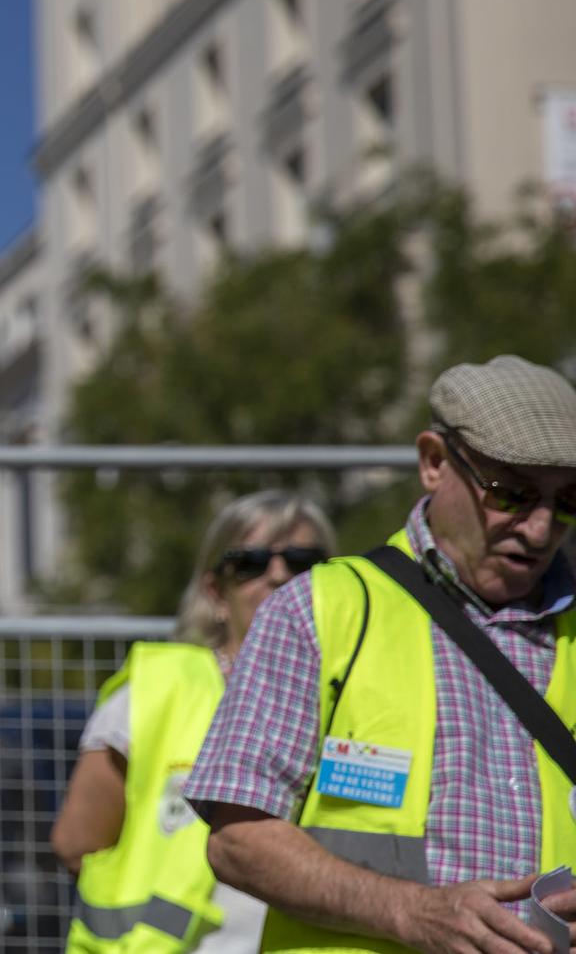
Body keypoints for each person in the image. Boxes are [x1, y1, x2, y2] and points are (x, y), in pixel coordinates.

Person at [185, 355, 576, 954]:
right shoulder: (322, 609)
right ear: (433, 463)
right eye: (512, 494)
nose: (541, 527)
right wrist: (412, 912)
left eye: (568, 501)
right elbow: (238, 841)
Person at [52, 490, 335, 952]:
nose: (279, 576)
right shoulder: (155, 691)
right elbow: (77, 842)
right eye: (250, 562)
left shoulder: (361, 699)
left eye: (304, 562)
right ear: (214, 592)